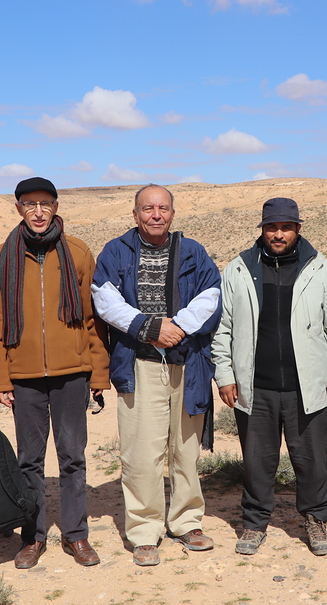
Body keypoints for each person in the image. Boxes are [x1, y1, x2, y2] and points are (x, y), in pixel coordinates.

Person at [92, 184, 221, 567]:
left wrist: (178, 327)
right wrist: (148, 328)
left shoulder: (194, 252)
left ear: (173, 213)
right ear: (135, 214)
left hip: (187, 364)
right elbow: (104, 297)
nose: (156, 214)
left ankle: (186, 521)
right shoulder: (117, 251)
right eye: (147, 208)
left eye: (163, 208)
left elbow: (212, 292)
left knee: (185, 449)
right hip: (140, 364)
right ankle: (145, 532)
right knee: (142, 453)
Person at [212, 197, 327, 556]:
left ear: (298, 229)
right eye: (271, 227)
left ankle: (316, 520)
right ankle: (255, 523)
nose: (278, 234)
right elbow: (223, 328)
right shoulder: (239, 269)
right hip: (255, 386)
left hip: (309, 387)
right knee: (257, 461)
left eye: (285, 227)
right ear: (262, 228)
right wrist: (225, 373)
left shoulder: (320, 269)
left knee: (312, 461)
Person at [0, 177, 110, 568]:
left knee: (72, 456)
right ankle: (33, 535)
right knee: (29, 459)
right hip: (24, 377)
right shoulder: (2, 256)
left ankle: (76, 535)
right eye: (29, 204)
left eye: (45, 204)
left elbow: (93, 321)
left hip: (72, 373)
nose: (38, 211)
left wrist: (97, 374)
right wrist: (3, 378)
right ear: (19, 209)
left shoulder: (76, 252)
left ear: (57, 207)